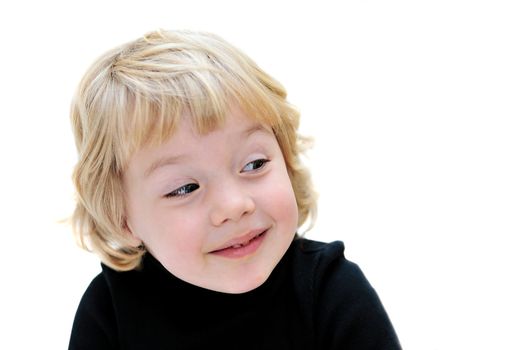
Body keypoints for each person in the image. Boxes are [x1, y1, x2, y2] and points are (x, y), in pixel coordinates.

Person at [67, 29, 402, 349]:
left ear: (284, 157)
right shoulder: (110, 311)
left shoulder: (330, 289)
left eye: (254, 164)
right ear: (122, 218)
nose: (234, 205)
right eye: (185, 188)